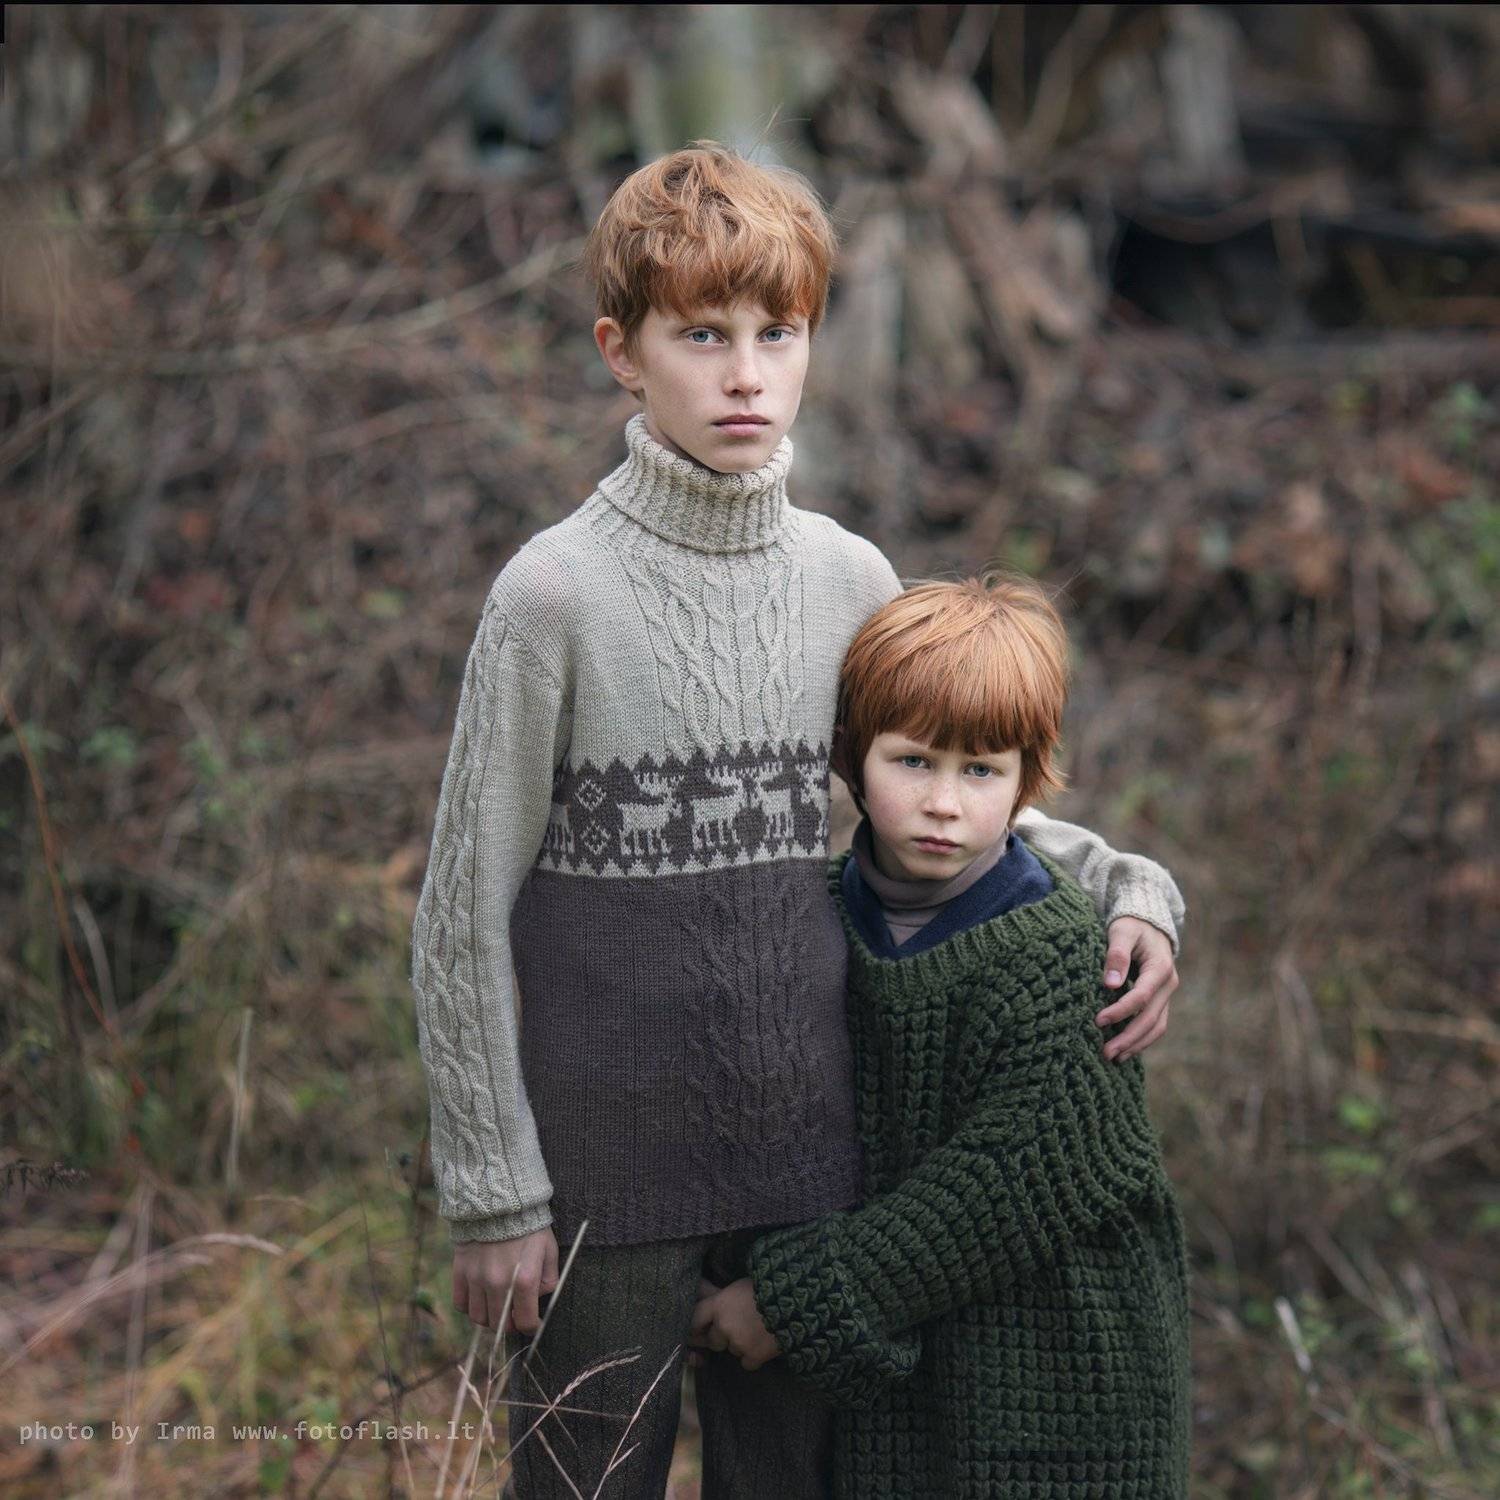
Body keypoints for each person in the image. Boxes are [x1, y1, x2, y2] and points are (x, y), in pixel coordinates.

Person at [408, 142, 1186, 1500]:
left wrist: (1134, 892)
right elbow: (460, 912)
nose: (747, 374)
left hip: (813, 1171)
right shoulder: (554, 599)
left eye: (779, 333)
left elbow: (941, 802)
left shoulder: (845, 578)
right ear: (622, 352)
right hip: (605, 1181)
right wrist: (493, 1192)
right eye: (702, 335)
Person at [689, 573, 1192, 1499]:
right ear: (851, 757)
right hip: (901, 1382)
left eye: (981, 771)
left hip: (1059, 1391)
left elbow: (998, 1188)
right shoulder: (821, 917)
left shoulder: (1059, 954)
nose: (944, 803)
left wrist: (787, 1304)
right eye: (913, 762)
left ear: (1028, 780)